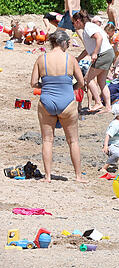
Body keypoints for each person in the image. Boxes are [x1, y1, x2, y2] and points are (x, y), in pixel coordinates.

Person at [30, 30, 86, 182]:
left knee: (47, 140)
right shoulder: (70, 59)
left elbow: (34, 83)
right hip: (67, 102)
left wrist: (46, 84)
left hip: (47, 101)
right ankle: (78, 176)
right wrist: (71, 88)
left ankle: (47, 176)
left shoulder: (42, 59)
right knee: (73, 140)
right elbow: (81, 83)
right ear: (64, 43)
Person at [72, 11, 115, 112]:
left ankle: (98, 103)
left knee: (88, 79)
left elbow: (99, 38)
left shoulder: (88, 27)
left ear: (78, 21)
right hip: (109, 53)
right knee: (102, 82)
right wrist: (78, 59)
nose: (73, 25)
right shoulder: (88, 27)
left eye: (73, 23)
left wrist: (95, 53)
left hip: (103, 54)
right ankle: (108, 107)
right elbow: (88, 49)